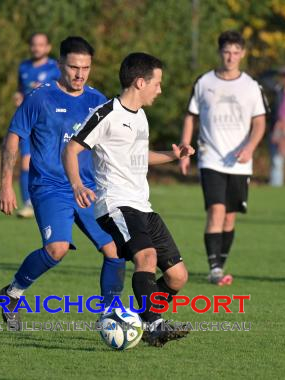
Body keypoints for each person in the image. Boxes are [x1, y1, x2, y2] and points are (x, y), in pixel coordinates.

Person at [63, 52, 194, 347]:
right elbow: (71, 149)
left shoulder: (141, 116)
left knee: (177, 277)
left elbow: (139, 157)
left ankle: (136, 318)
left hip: (142, 205)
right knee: (145, 258)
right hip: (115, 203)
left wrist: (174, 155)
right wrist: (76, 185)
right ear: (140, 82)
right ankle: (154, 325)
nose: (160, 90)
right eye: (157, 83)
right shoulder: (106, 113)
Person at [0, 36, 126, 328]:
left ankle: (109, 316)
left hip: (88, 189)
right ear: (59, 65)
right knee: (56, 249)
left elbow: (112, 144)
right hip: (50, 186)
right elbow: (13, 138)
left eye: (86, 68)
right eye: (73, 67)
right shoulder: (40, 98)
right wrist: (6, 183)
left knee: (115, 251)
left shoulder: (97, 100)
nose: (80, 74)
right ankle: (13, 293)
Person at [178, 30, 266, 285]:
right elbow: (190, 116)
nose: (231, 57)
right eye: (227, 52)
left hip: (239, 162)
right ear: (220, 53)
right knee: (216, 210)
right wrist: (185, 149)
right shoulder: (204, 82)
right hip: (210, 157)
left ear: (243, 54)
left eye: (236, 52)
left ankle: (220, 261)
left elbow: (259, 123)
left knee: (229, 216)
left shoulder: (251, 86)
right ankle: (214, 268)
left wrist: (250, 148)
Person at [14, 33, 61, 218]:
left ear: (48, 47)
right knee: (25, 162)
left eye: (41, 45)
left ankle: (54, 201)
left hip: (50, 123)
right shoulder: (24, 67)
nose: (37, 48)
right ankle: (28, 204)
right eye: (34, 44)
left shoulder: (55, 68)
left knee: (52, 163)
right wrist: (18, 96)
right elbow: (20, 89)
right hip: (27, 121)